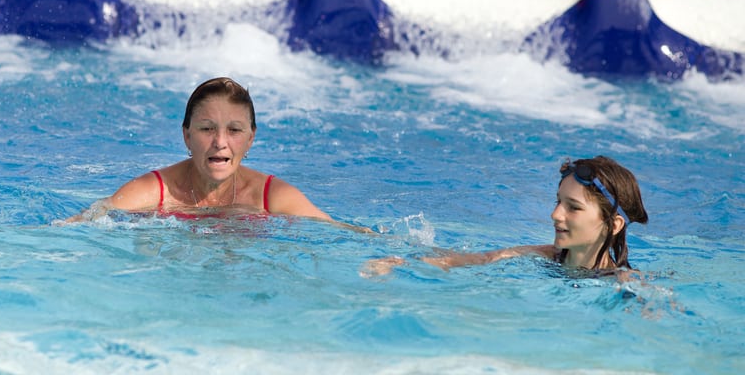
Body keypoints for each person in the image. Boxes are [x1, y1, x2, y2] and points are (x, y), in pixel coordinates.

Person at [65, 76, 336, 223]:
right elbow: (83, 222)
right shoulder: (156, 191)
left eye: (234, 130)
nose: (220, 142)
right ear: (186, 136)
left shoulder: (270, 196)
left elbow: (342, 234)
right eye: (207, 129)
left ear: (251, 139)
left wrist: (380, 257)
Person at [363, 156, 649, 277]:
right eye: (557, 202)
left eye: (572, 207)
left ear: (613, 225)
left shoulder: (623, 282)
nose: (554, 214)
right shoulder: (545, 255)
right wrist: (405, 265)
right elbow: (479, 260)